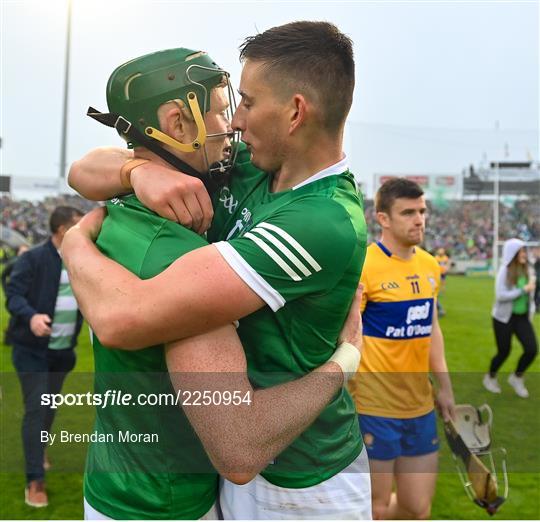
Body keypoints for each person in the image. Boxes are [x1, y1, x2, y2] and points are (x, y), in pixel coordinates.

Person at [66, 22, 371, 520]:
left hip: (301, 479)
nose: (233, 123)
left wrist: (346, 361)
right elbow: (84, 169)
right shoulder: (249, 166)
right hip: (233, 465)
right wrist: (136, 170)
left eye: (247, 103)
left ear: (295, 112)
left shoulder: (322, 221)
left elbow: (125, 318)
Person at [348, 178, 455, 520]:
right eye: (408, 212)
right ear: (383, 219)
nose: (419, 219)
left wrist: (446, 388)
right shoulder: (364, 267)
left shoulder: (429, 266)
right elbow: (348, 336)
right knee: (375, 509)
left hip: (420, 408)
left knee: (415, 508)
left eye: (422, 211)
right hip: (374, 409)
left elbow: (431, 329)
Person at [5, 206, 84, 508]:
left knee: (48, 409)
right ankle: (34, 480)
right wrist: (31, 316)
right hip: (31, 352)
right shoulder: (33, 258)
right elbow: (13, 295)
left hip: (63, 354)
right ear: (63, 230)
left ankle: (39, 449)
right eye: (78, 225)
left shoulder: (82, 260)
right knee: (37, 409)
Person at [483, 238, 537, 398]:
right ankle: (490, 377)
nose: (524, 254)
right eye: (520, 251)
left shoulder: (528, 268)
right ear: (512, 253)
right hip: (503, 318)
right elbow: (500, 295)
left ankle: (517, 377)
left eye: (524, 251)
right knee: (504, 351)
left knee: (532, 349)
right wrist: (523, 290)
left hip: (522, 317)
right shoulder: (504, 271)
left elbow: (532, 290)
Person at [2, 244, 30, 345]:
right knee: (15, 315)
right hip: (15, 294)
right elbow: (3, 276)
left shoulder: (30, 263)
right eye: (22, 252)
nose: (24, 254)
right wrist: (6, 289)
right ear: (18, 252)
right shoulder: (13, 263)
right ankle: (8, 338)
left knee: (22, 315)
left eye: (26, 252)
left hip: (26, 294)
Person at [434, 247, 450, 316]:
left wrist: (447, 268)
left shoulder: (445, 258)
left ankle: (441, 290)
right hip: (438, 271)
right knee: (438, 282)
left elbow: (447, 264)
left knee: (443, 281)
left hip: (443, 271)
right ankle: (439, 291)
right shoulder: (436, 257)